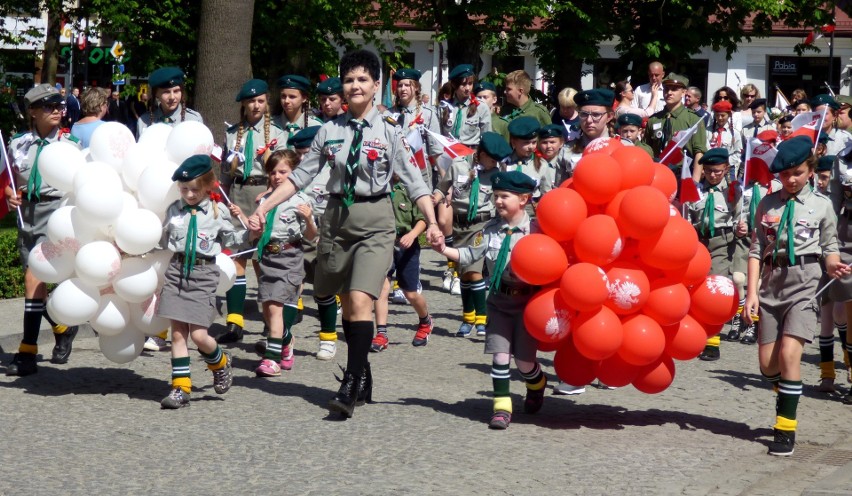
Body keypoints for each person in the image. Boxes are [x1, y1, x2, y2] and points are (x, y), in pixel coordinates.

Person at [247, 49, 441, 419]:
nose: (355, 86)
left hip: (375, 220)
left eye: (362, 80)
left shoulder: (390, 132)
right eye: (349, 80)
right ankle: (363, 370)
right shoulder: (328, 130)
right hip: (335, 219)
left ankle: (350, 382)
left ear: (376, 86)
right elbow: (300, 179)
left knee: (359, 299)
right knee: (330, 294)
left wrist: (431, 222)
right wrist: (265, 206)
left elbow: (415, 181)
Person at [744, 135, 849, 455]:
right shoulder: (767, 203)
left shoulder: (822, 206)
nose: (791, 180)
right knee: (767, 366)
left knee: (791, 354)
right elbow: (755, 250)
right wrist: (751, 293)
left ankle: (784, 429)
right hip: (771, 283)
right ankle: (787, 391)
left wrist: (834, 266)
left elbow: (830, 248)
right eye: (785, 174)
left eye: (798, 173)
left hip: (805, 282)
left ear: (811, 170)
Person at [431, 170, 548, 430]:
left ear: (524, 199)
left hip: (528, 304)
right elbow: (469, 254)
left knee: (525, 362)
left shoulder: (537, 231)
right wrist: (443, 250)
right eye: (495, 196)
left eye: (504, 196)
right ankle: (501, 408)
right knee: (499, 356)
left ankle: (537, 383)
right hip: (499, 302)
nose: (497, 201)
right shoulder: (491, 230)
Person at [3, 84, 82, 376]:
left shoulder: (70, 145)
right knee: (34, 282)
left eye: (60, 106)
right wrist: (10, 193)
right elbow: (8, 177)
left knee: (33, 278)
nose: (58, 111)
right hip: (28, 213)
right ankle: (62, 328)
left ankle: (27, 352)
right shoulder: (18, 143)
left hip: (56, 213)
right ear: (33, 111)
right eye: (49, 107)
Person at [156, 155, 246, 408]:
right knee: (177, 335)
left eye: (195, 189)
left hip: (204, 274)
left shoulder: (218, 211)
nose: (189, 194)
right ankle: (180, 388)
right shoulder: (174, 209)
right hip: (177, 271)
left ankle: (220, 362)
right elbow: (162, 239)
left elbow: (232, 239)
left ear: (208, 186)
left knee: (199, 335)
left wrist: (252, 231)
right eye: (184, 189)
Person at [232, 150, 316, 376]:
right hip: (267, 257)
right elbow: (256, 232)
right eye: (273, 172)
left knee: (276, 307)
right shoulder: (263, 200)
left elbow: (311, 236)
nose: (277, 176)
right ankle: (286, 344)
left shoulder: (301, 200)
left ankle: (272, 359)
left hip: (289, 257)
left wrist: (308, 218)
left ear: (294, 173)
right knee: (269, 311)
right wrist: (252, 225)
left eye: (283, 172)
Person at [217, 79, 288, 345]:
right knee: (237, 260)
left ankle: (272, 326)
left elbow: (282, 174)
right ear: (244, 104)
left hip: (263, 196)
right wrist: (223, 201)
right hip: (237, 195)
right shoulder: (233, 132)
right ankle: (235, 322)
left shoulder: (278, 133)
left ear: (266, 102)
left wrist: (270, 198)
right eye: (251, 101)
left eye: (260, 101)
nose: (256, 105)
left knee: (263, 262)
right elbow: (225, 173)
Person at [434, 132, 511, 338]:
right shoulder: (458, 165)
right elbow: (443, 188)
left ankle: (482, 320)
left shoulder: (495, 173)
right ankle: (468, 318)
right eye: (491, 159)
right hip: (460, 226)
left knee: (474, 271)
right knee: (465, 275)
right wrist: (434, 199)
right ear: (480, 153)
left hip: (482, 225)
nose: (494, 164)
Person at [286, 125, 341, 360]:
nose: (301, 158)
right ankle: (281, 337)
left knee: (323, 288)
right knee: (290, 286)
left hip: (324, 230)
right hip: (296, 232)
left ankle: (328, 338)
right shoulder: (292, 172)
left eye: (306, 153)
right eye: (298, 153)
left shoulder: (332, 170)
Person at [684, 148, 743, 361]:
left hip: (722, 241)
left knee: (716, 288)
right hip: (699, 241)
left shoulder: (733, 190)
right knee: (696, 288)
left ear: (726, 169)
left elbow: (739, 215)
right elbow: (689, 213)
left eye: (718, 171)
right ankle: (695, 335)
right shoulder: (697, 190)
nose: (713, 175)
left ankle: (713, 342)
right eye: (708, 170)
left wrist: (741, 227)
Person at [371, 172, 435, 351]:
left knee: (411, 293)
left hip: (407, 246)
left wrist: (412, 234)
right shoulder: (378, 186)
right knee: (382, 289)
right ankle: (381, 334)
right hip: (383, 244)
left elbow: (422, 219)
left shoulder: (410, 188)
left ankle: (425, 321)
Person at [387, 67, 443, 187]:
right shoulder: (388, 115)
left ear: (416, 87)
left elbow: (436, 151)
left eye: (408, 85)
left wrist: (445, 183)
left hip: (420, 171)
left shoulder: (428, 114)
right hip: (395, 174)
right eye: (400, 85)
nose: (403, 89)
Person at [645, 73, 707, 180]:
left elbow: (699, 152)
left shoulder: (693, 120)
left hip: (682, 174)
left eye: (674, 89)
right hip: (657, 174)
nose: (669, 93)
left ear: (683, 92)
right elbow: (647, 149)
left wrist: (695, 181)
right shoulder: (654, 119)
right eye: (666, 89)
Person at [504, 116, 554, 215]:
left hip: (530, 210)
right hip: (507, 210)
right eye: (526, 143)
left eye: (534, 142)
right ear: (514, 142)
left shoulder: (542, 164)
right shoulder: (504, 163)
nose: (531, 147)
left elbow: (546, 194)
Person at [136, 66, 203, 138]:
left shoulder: (194, 120)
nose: (172, 97)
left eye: (176, 91)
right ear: (156, 94)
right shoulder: (144, 122)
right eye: (166, 92)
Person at [494, 70, 550, 141]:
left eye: (509, 89)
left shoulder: (538, 112)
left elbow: (548, 140)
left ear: (520, 91)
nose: (505, 92)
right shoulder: (505, 110)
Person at [566, 88, 616, 167]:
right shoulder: (567, 150)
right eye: (583, 114)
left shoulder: (622, 147)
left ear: (609, 116)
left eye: (596, 115)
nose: (589, 120)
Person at [274, 74, 323, 147]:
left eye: (292, 97)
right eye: (283, 96)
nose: (286, 101)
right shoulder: (271, 125)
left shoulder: (316, 126)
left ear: (304, 98)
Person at [706, 100, 742, 176]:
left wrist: (726, 162)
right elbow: (705, 149)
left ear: (729, 115)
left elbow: (738, 152)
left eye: (723, 115)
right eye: (717, 115)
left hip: (728, 168)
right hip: (710, 168)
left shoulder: (735, 133)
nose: (720, 118)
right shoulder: (707, 131)